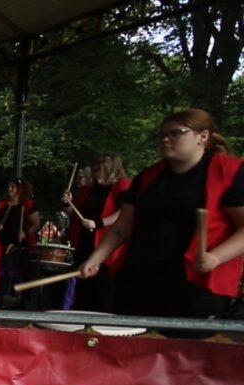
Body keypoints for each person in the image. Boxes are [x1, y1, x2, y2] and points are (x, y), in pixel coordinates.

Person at [80, 108, 244, 320]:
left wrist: (215, 257)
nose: (165, 139)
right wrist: (95, 259)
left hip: (192, 287)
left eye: (175, 133)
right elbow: (121, 228)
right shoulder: (149, 176)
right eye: (162, 135)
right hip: (139, 280)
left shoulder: (229, 172)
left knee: (183, 351)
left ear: (202, 137)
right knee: (130, 346)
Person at [61, 155, 131, 312]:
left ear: (112, 166)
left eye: (101, 164)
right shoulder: (87, 190)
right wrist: (67, 204)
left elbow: (124, 213)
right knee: (84, 294)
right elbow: (73, 214)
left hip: (107, 249)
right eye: (96, 164)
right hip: (85, 245)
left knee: (104, 294)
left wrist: (99, 223)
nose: (96, 167)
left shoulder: (122, 186)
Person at [0, 178, 41, 301]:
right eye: (9, 186)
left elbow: (36, 225)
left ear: (20, 190)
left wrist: (25, 233)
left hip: (21, 245)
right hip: (0, 243)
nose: (10, 189)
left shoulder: (28, 205)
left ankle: (20, 297)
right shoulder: (1, 204)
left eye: (13, 187)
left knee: (23, 265)